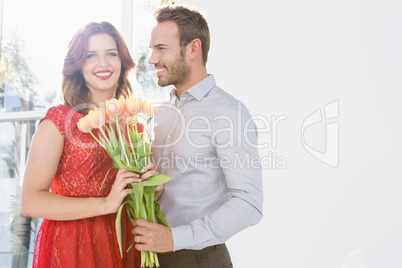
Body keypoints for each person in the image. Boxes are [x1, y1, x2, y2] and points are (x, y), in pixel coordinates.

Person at [132, 5, 264, 267]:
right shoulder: (164, 112)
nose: (151, 59)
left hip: (201, 259)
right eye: (152, 49)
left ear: (193, 49)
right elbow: (172, 188)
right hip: (153, 256)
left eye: (162, 48)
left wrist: (175, 238)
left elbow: (250, 203)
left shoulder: (228, 112)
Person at [21, 22, 157, 268]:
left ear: (122, 62)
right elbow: (31, 202)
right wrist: (106, 204)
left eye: (111, 54)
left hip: (124, 243)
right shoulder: (59, 121)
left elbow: (137, 197)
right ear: (78, 66)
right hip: (72, 247)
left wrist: (151, 189)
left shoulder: (134, 126)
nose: (103, 63)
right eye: (91, 55)